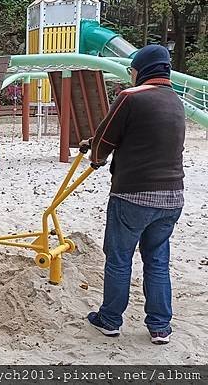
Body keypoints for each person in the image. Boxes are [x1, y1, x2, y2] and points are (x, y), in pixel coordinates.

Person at [81, 44, 185, 345]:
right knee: (156, 261)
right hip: (172, 197)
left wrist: (96, 156)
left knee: (119, 259)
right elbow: (146, 136)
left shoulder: (131, 97)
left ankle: (110, 319)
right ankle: (160, 327)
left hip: (133, 196)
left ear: (141, 70)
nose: (131, 75)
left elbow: (105, 137)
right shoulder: (175, 101)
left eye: (132, 70)